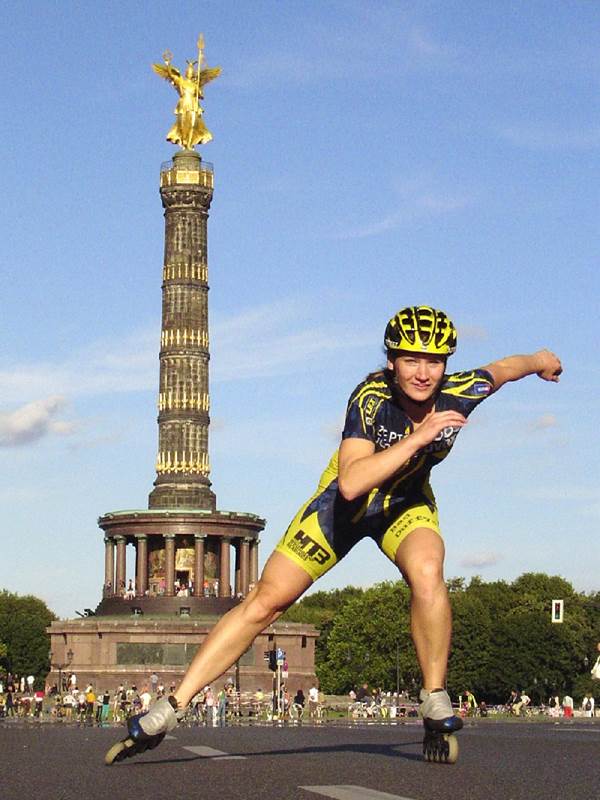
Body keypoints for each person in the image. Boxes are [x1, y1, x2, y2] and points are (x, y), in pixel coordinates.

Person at [105, 305, 562, 765]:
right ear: (391, 361)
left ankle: (434, 695)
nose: (423, 372)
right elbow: (352, 483)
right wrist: (419, 438)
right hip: (345, 506)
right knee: (265, 601)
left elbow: (504, 369)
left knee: (429, 571)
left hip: (403, 503)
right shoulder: (370, 398)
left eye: (435, 361)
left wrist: (540, 359)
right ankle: (171, 707)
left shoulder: (460, 391)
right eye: (411, 359)